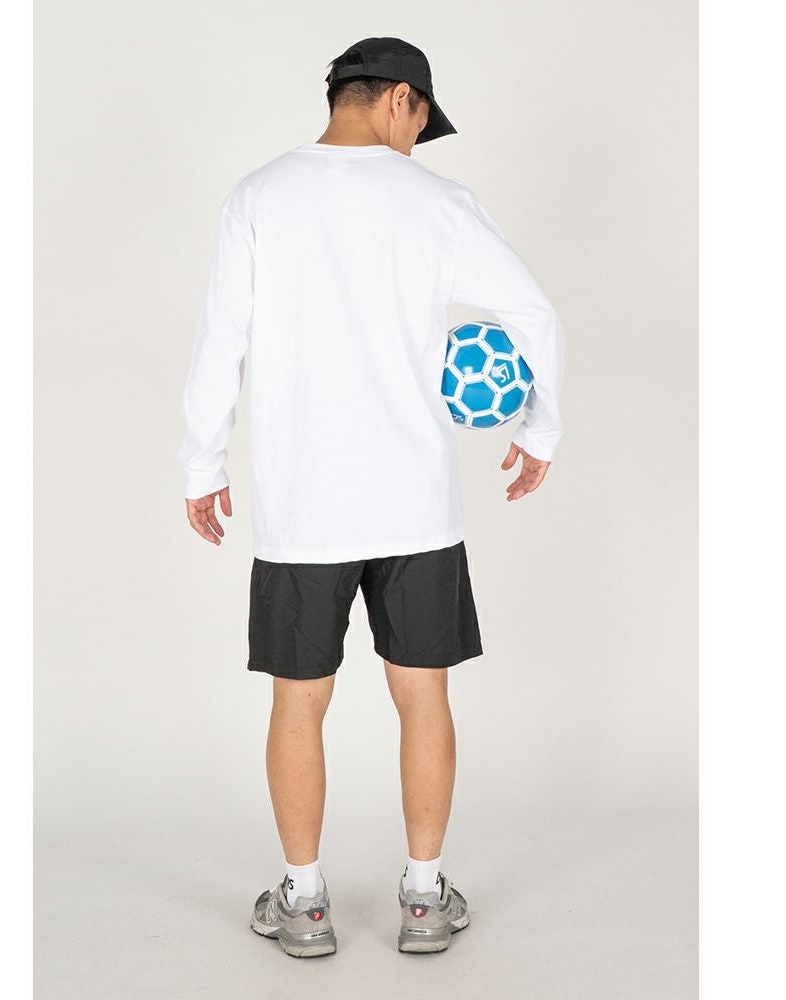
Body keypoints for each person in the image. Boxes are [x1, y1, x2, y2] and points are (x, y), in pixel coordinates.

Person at [176, 36, 565, 957]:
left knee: (298, 699)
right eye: (422, 120)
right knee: (422, 694)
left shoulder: (258, 197)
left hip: (301, 506)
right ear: (399, 99)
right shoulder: (439, 204)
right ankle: (424, 898)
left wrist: (203, 464)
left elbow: (221, 338)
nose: (418, 140)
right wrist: (538, 430)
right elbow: (534, 314)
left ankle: (305, 903)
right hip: (415, 504)